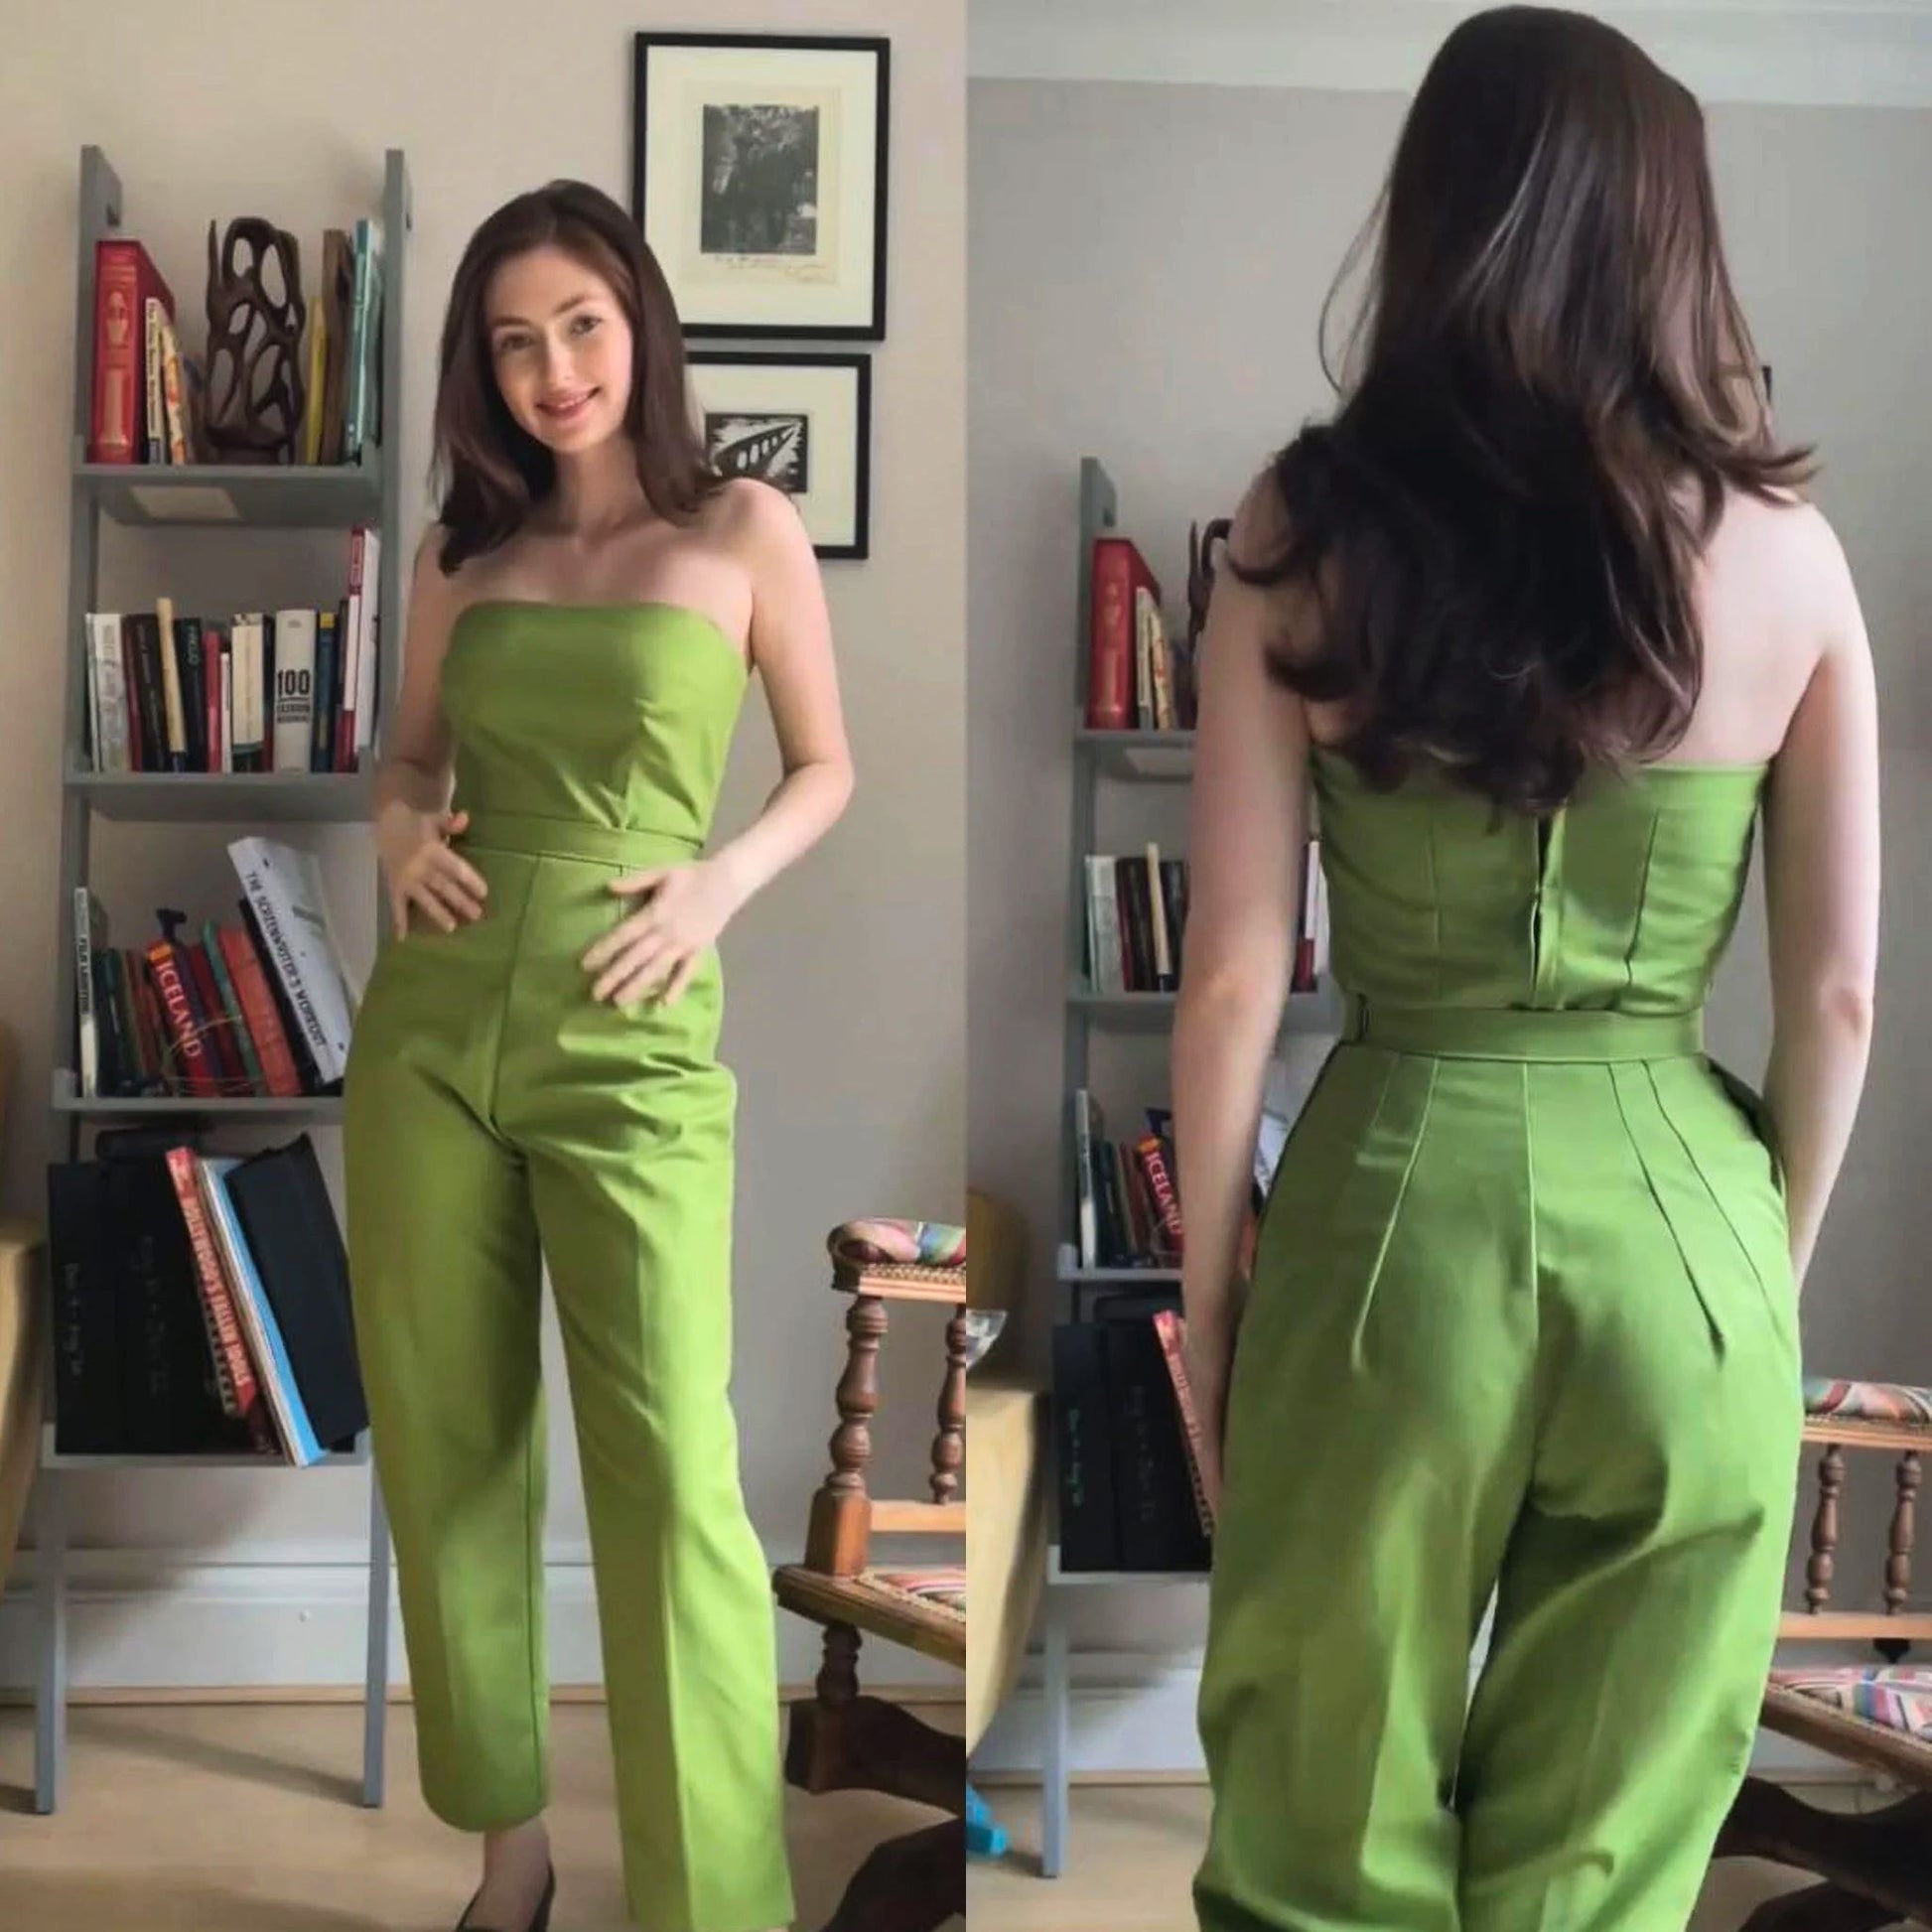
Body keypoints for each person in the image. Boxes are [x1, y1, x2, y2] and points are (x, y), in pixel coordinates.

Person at [1171, 9, 1880, 1929]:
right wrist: (1759, 1282)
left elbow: (1234, 975)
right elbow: (1831, 1000)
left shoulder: (1293, 531)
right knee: (1603, 1859)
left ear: (1437, 217)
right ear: (1671, 234)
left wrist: (1214, 1305)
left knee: (1327, 1820)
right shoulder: (1794, 558)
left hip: (1395, 1212)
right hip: (1691, 1240)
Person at [342, 178, 853, 1932]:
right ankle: (511, 1854)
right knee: (447, 1443)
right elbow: (403, 765)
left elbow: (823, 768)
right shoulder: (461, 554)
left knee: (672, 1479)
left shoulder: (741, 531)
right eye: (511, 342)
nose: (552, 368)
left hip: (632, 1031)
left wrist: (717, 884)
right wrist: (396, 834)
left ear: (636, 321)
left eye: (577, 323)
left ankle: (709, 1905)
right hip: (427, 1027)